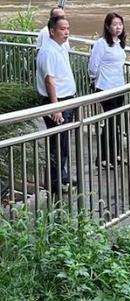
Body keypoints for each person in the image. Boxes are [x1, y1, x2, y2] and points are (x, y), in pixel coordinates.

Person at [36, 15, 76, 192]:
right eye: (62, 29)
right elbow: (49, 80)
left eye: (67, 28)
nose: (66, 32)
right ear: (52, 31)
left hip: (67, 100)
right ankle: (55, 183)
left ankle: (62, 177)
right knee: (57, 144)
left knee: (63, 143)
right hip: (58, 103)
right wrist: (56, 107)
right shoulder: (48, 51)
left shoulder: (60, 47)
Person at [88, 12, 127, 169]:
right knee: (110, 121)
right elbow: (93, 65)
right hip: (105, 87)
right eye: (114, 24)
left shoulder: (119, 43)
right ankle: (104, 158)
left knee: (116, 122)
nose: (118, 27)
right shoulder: (101, 44)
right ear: (107, 26)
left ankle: (113, 155)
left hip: (119, 87)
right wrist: (93, 80)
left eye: (120, 24)